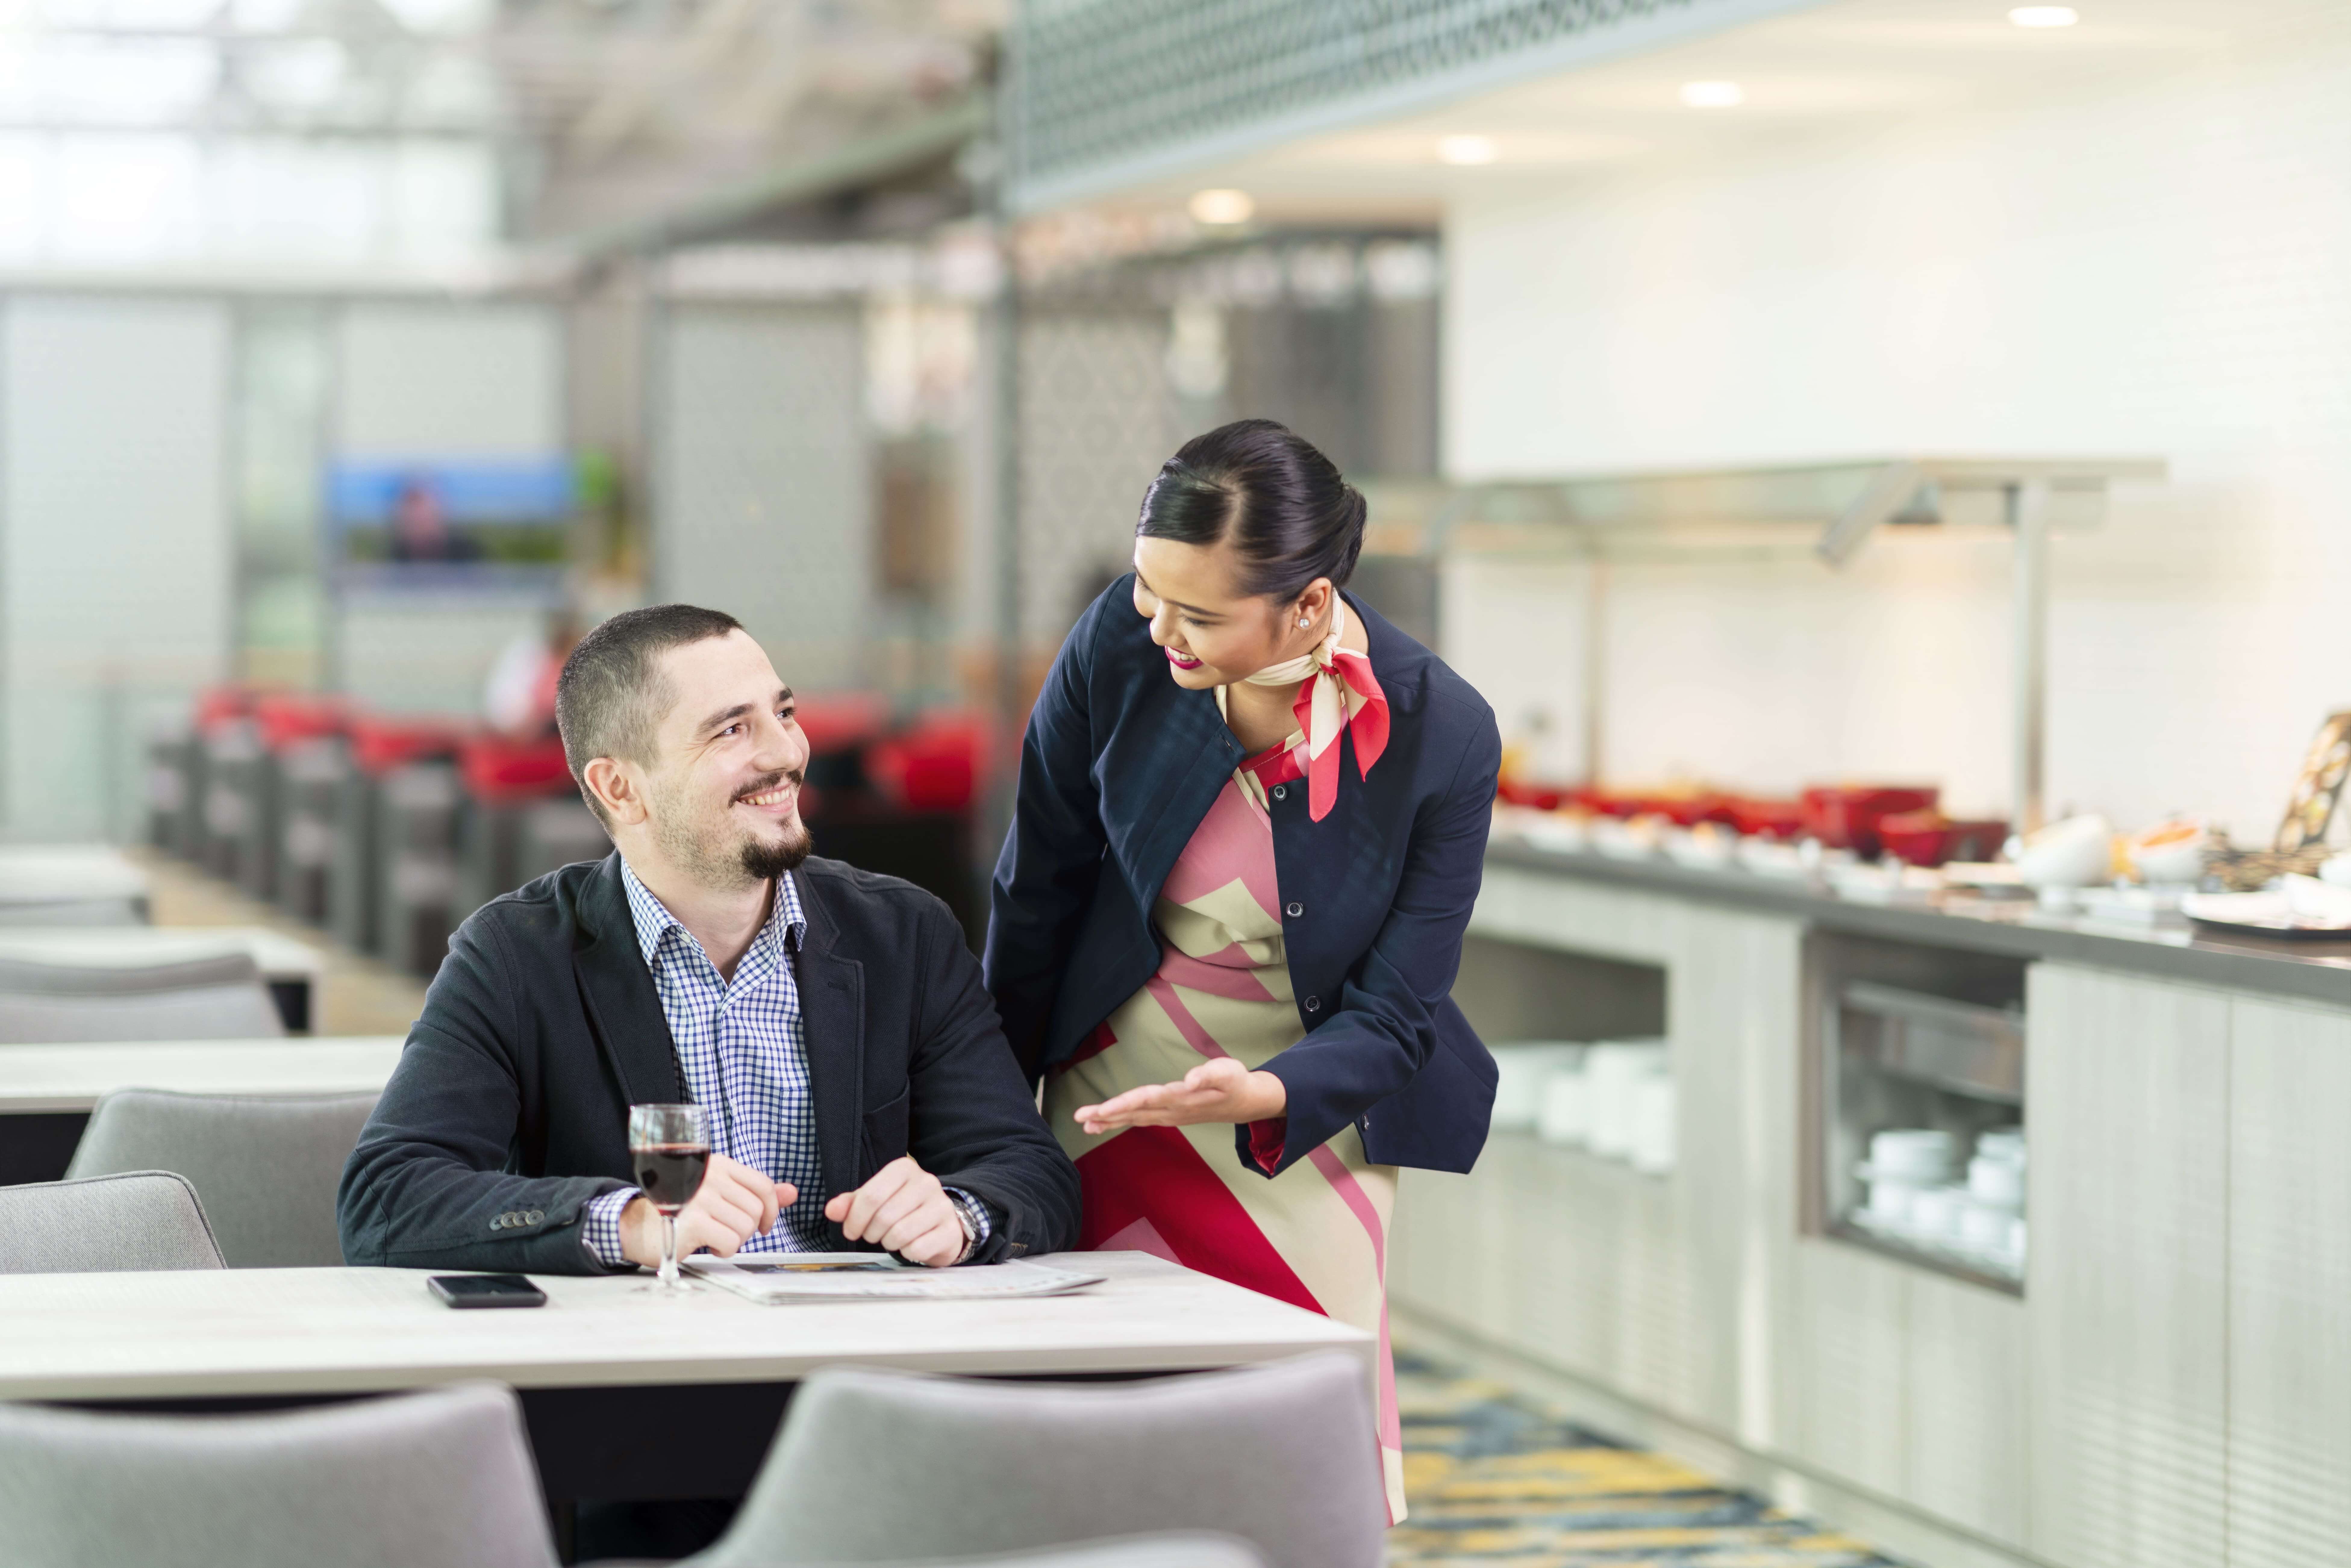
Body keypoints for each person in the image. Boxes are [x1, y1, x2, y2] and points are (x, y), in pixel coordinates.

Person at [985, 418, 1503, 1523]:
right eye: (1146, 590)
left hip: (1303, 1120)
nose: (1156, 628)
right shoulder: (1114, 655)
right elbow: (1035, 897)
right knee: (1101, 1446)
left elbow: (1399, 1008)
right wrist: (982, 1121)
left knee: (1291, 1461)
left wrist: (1264, 1092)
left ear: (1307, 604)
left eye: (1199, 613)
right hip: (1112, 1098)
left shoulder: (1440, 731)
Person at [340, 604, 1078, 1278]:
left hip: (868, 1361)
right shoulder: (515, 955)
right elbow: (387, 1198)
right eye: (732, 730)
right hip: (646, 1379)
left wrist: (959, 1214)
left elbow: (1028, 1171)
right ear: (621, 789)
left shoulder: (904, 934)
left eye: (783, 713)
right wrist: (631, 1222)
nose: (786, 752)